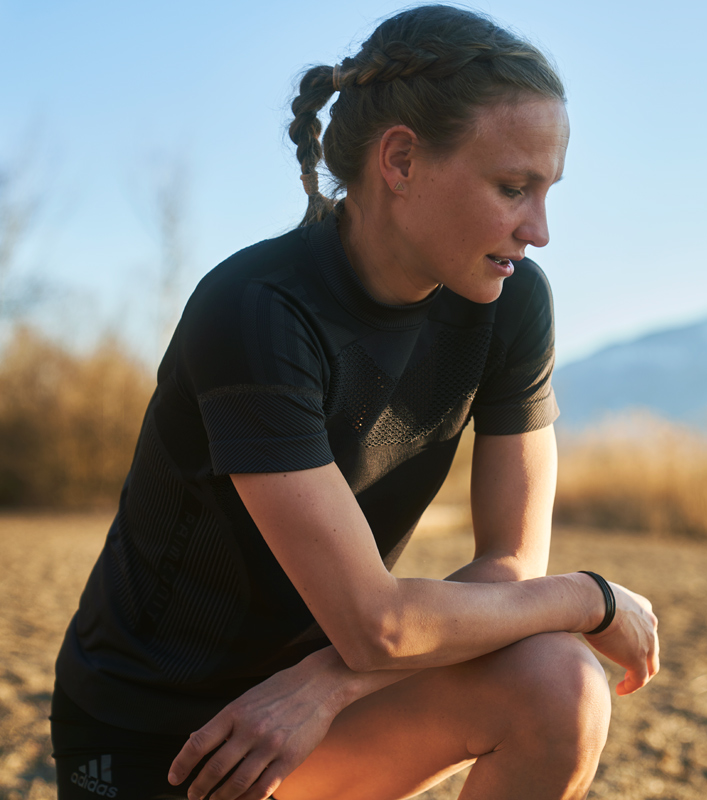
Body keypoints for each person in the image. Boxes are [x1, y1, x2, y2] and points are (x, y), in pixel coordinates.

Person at [51, 6, 659, 799]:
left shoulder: (511, 302)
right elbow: (378, 623)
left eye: (547, 191)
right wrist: (590, 598)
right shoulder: (258, 310)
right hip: (166, 737)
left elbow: (509, 566)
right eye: (513, 187)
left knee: (558, 681)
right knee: (556, 636)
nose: (538, 229)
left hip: (321, 708)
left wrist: (329, 683)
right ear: (401, 160)